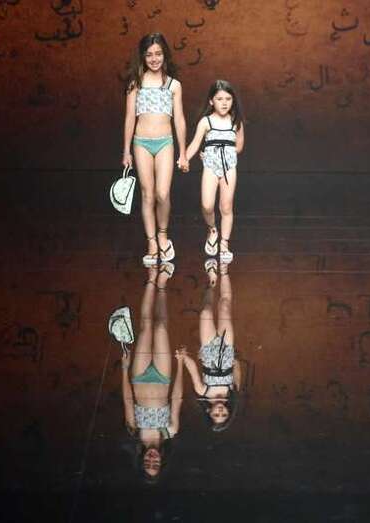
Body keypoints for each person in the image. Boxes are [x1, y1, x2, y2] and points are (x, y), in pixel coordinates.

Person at [122, 33, 188, 265]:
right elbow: (129, 118)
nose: (154, 58)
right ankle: (151, 241)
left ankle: (162, 234)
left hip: (165, 143)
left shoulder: (173, 85)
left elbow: (179, 119)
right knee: (147, 193)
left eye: (158, 53)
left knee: (162, 193)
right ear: (143, 57)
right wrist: (126, 151)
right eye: (149, 54)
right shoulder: (136, 84)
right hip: (141, 143)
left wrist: (183, 152)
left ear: (165, 55)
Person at [121, 265, 183, 482]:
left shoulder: (134, 430)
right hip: (163, 378)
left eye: (147, 464)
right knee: (161, 328)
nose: (152, 460)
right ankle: (163, 285)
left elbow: (128, 400)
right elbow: (177, 398)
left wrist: (125, 368)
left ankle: (152, 278)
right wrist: (180, 365)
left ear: (141, 460)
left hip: (139, 376)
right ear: (162, 461)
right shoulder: (170, 430)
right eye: (155, 464)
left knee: (146, 327)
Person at [183, 80, 245, 263]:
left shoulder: (236, 121)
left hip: (229, 166)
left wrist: (224, 151)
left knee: (226, 206)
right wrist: (185, 158)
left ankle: (224, 244)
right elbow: (195, 143)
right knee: (207, 205)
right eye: (219, 99)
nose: (224, 103)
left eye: (228, 99)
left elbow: (239, 146)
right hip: (210, 166)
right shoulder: (206, 121)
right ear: (211, 101)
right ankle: (212, 229)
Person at [178, 260, 242, 432]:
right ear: (229, 412)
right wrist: (234, 359)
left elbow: (193, 370)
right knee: (225, 307)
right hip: (226, 349)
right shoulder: (232, 392)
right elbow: (237, 370)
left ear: (209, 412)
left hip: (208, 350)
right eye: (224, 414)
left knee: (205, 312)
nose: (220, 411)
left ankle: (211, 283)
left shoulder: (203, 392)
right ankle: (224, 270)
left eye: (216, 415)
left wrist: (184, 357)